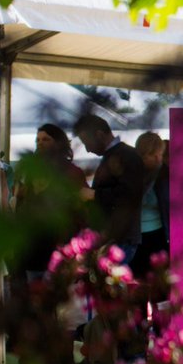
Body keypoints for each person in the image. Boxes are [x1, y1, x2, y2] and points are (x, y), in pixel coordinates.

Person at [13, 123, 87, 278]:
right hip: (33, 245)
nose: (40, 143)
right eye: (37, 140)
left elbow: (81, 209)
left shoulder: (71, 172)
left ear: (58, 143)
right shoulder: (28, 170)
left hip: (60, 244)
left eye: (45, 139)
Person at [74, 114, 146, 263]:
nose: (87, 150)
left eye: (87, 142)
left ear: (99, 135)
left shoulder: (128, 156)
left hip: (121, 239)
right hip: (113, 238)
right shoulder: (114, 155)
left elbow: (131, 196)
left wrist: (94, 195)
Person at [130, 132, 169, 279]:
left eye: (161, 154)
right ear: (141, 154)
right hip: (136, 236)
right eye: (153, 155)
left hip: (158, 233)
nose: (158, 159)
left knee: (159, 282)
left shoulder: (164, 174)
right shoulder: (131, 173)